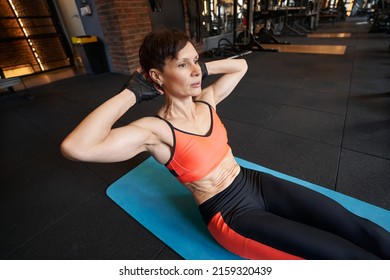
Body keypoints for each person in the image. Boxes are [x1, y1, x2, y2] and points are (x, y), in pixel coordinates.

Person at [61, 29, 390, 260]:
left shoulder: (207, 102)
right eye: (182, 64)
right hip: (231, 215)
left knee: (358, 227)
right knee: (345, 257)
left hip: (252, 182)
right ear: (156, 76)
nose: (195, 71)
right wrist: (132, 92)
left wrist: (198, 68)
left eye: (195, 60)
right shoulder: (154, 130)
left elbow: (240, 65)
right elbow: (77, 147)